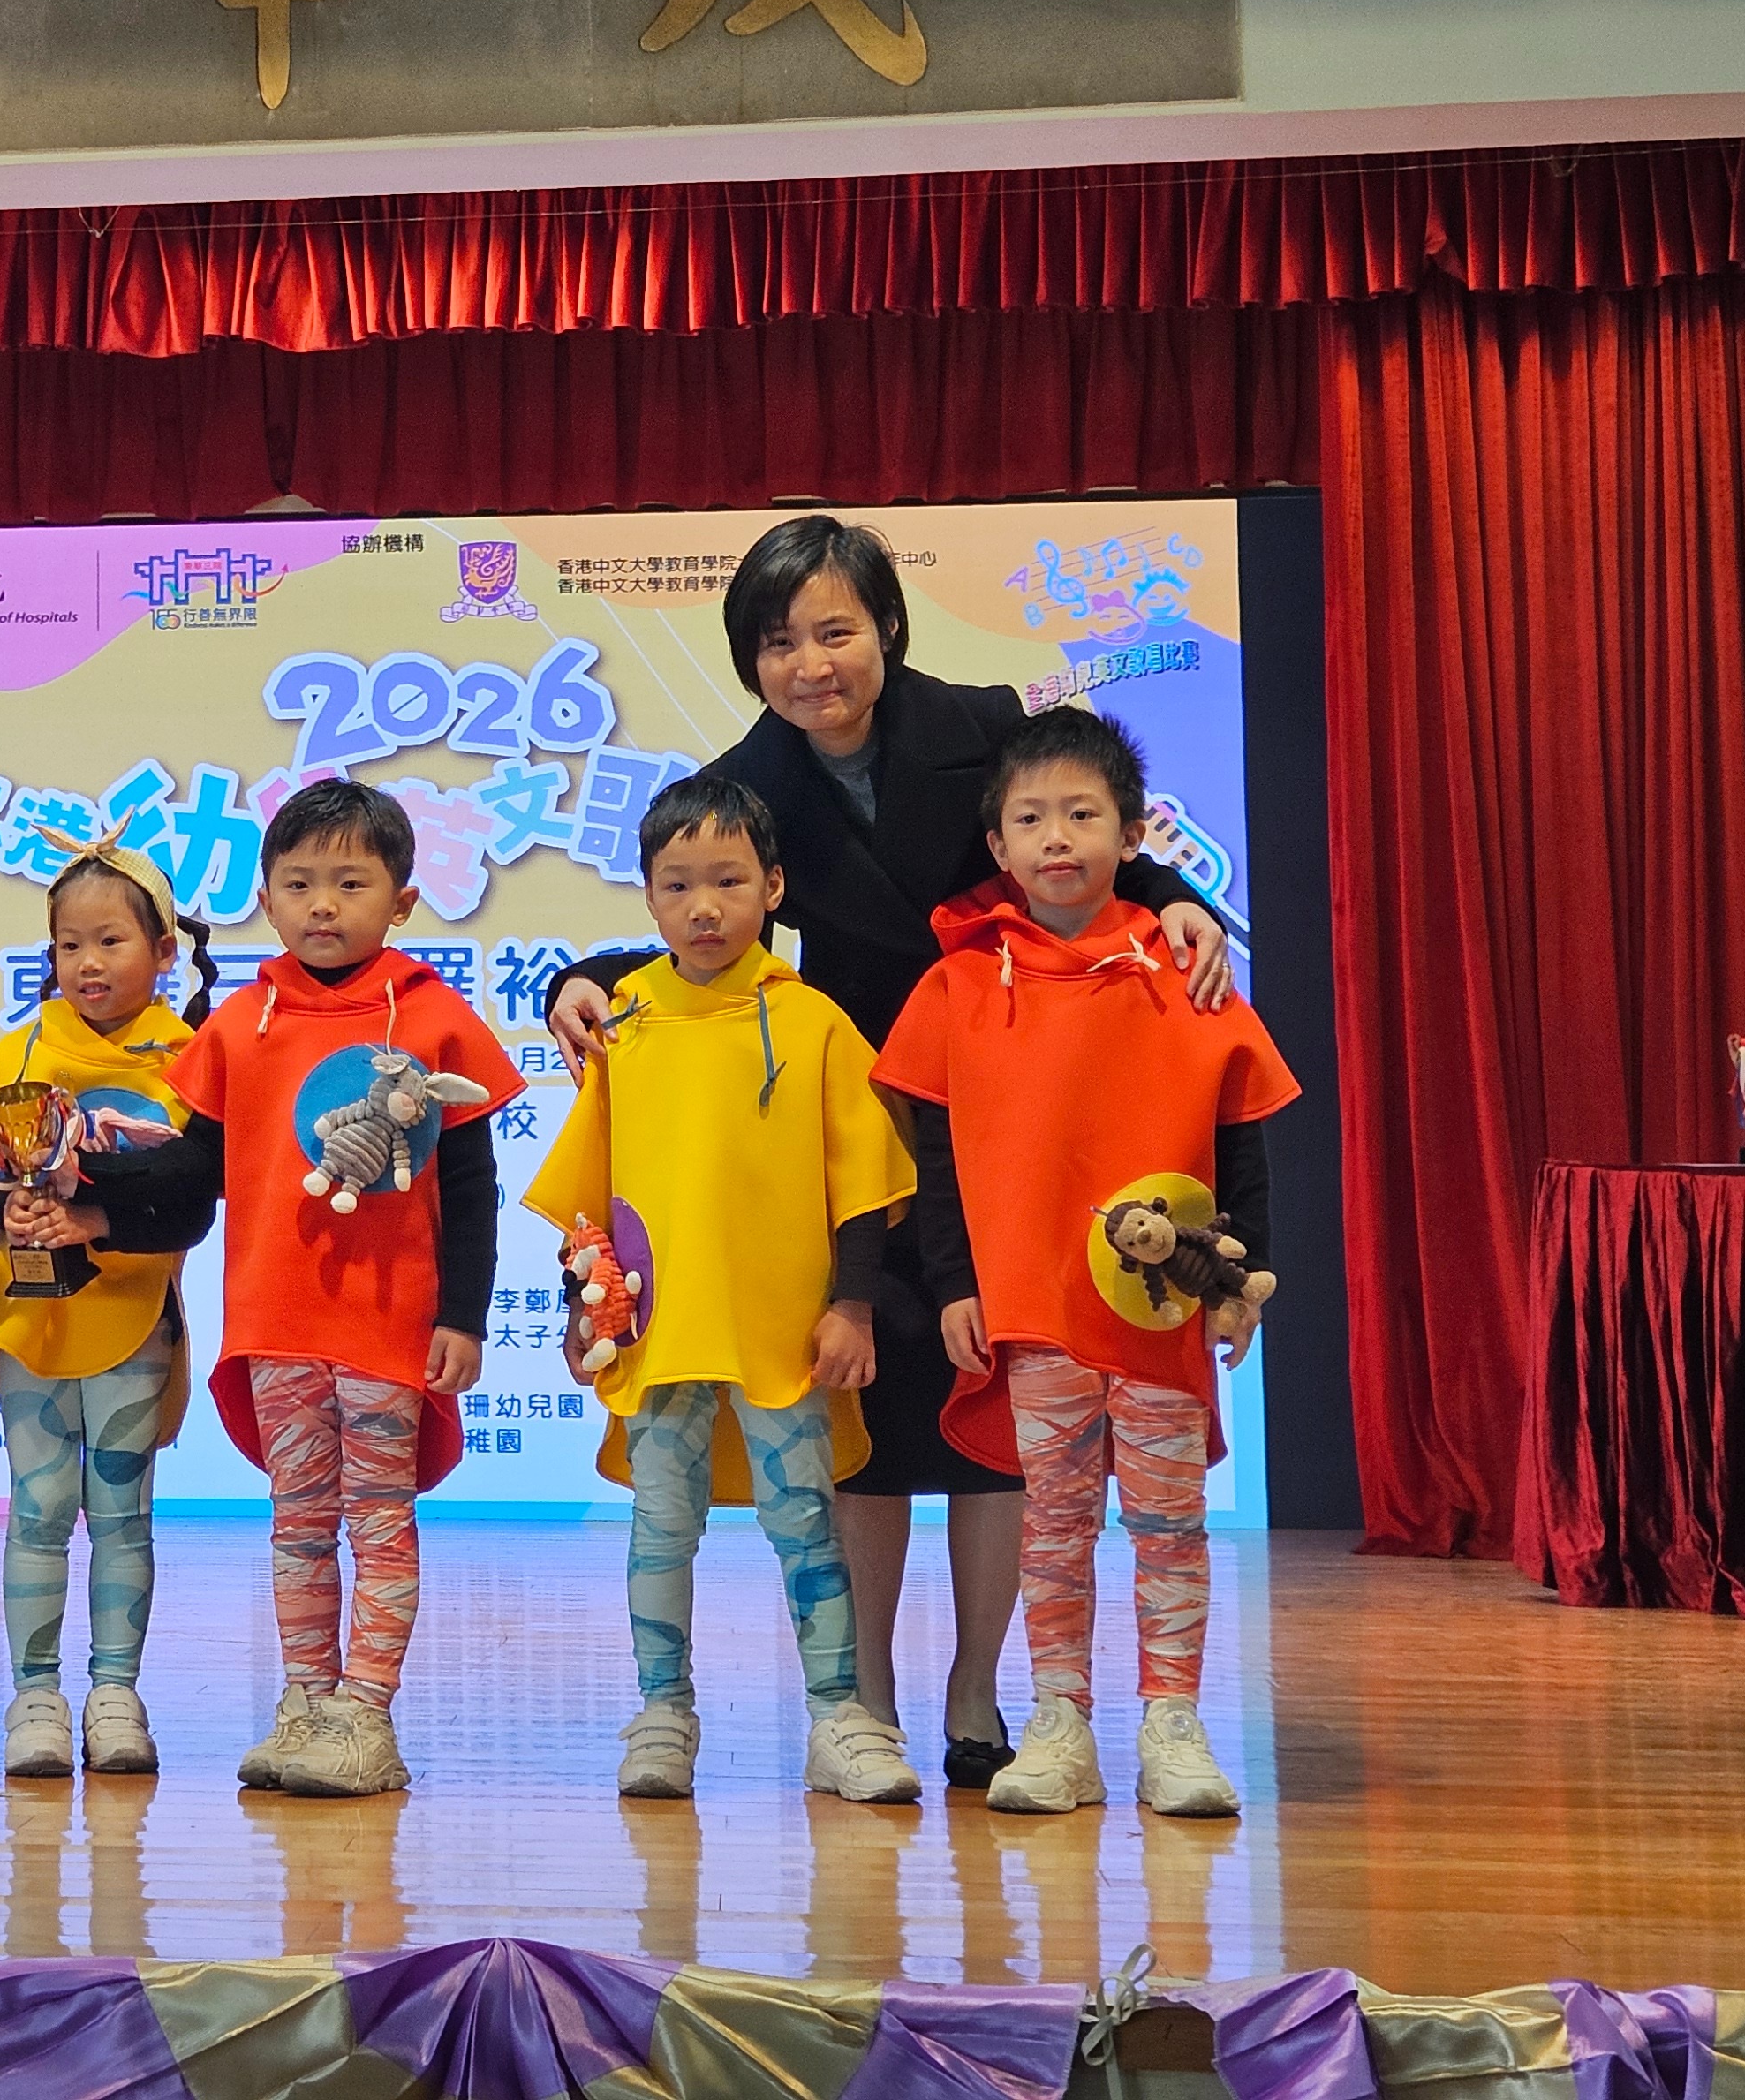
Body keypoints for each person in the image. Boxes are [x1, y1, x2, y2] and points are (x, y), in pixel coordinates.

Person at [544, 514, 1234, 1790]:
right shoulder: (751, 778)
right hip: (845, 1112)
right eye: (777, 642)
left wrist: (1175, 902)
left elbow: (1070, 841)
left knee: (994, 1407)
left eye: (835, 631)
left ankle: (978, 1687)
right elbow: (710, 926)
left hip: (1012, 1098)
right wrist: (581, 976)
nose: (810, 664)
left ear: (889, 628)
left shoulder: (984, 724)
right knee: (864, 1399)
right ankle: (858, 1692)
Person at [873, 708, 1296, 1818]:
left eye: (1081, 814)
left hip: (1161, 1310)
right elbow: (935, 1152)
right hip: (1030, 1307)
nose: (1055, 837)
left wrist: (1240, 1283)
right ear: (997, 845)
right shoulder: (962, 980)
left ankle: (1173, 1724)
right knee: (1052, 1526)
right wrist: (956, 1283)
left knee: (1168, 1524)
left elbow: (1240, 1131)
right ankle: (1058, 1721)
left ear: (1132, 833)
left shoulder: (1186, 968)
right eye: (1029, 819)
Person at [77, 778, 521, 1800]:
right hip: (274, 1320)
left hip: (389, 1325)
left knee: (379, 1521)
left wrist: (462, 1316)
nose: (323, 904)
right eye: (299, 883)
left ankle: (367, 1716)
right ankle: (307, 1701)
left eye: (350, 884)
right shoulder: (242, 1023)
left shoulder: (435, 1019)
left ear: (401, 902)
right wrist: (80, 1184)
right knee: (298, 1523)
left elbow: (471, 1187)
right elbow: (191, 1173)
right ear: (266, 899)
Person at [524, 774, 918, 1804]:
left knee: (806, 1524)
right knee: (662, 1526)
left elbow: (863, 1183)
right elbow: (588, 1196)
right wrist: (580, 1314)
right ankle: (662, 1713)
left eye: (729, 881)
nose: (704, 906)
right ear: (648, 897)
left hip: (785, 1335)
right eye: (678, 885)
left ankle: (839, 1718)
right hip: (657, 1336)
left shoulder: (815, 1023)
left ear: (773, 887)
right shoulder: (626, 1026)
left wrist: (851, 1305)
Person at [0, 835, 220, 1781]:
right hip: (29, 1316)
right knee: (38, 1505)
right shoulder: (17, 1049)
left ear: (163, 951)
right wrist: (9, 1204)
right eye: (69, 944)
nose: (87, 963)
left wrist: (97, 1217)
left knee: (122, 1510)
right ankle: (34, 1697)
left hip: (134, 1311)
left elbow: (196, 1198)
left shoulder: (193, 1058)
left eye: (110, 941)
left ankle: (115, 1693)